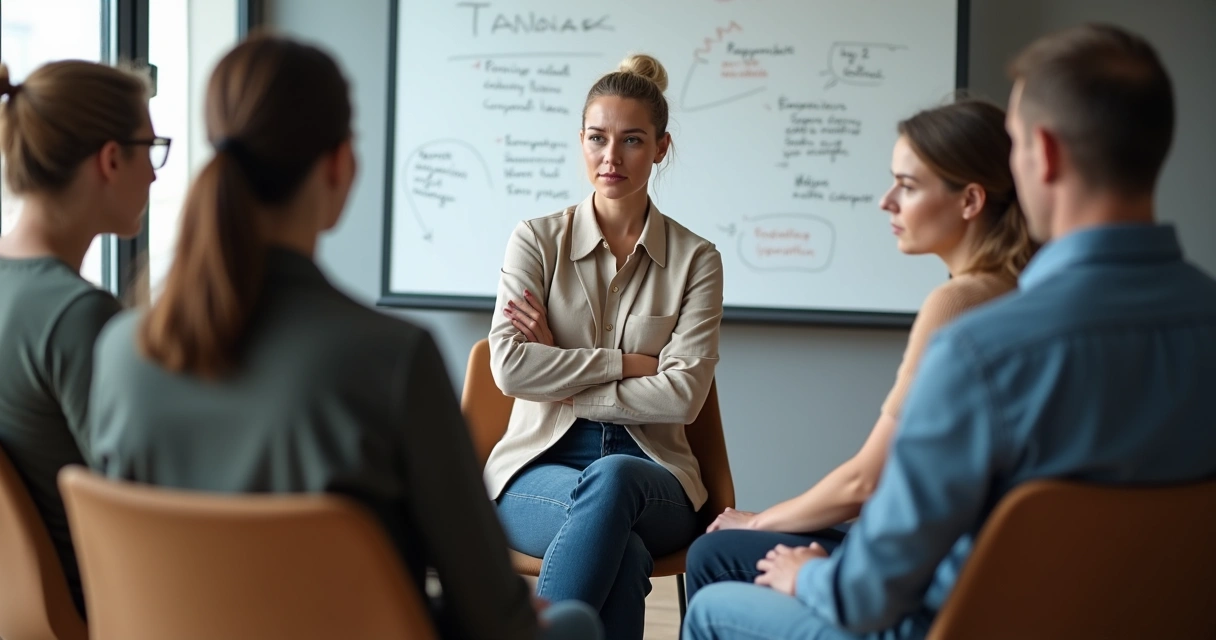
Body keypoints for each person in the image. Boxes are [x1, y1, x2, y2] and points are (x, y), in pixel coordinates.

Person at [683, 22, 1216, 640]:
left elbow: (868, 597)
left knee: (712, 608)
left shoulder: (983, 352)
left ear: (1042, 153)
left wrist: (810, 577)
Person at [87, 35, 599, 640]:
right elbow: (493, 614)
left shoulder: (121, 352)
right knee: (572, 623)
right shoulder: (391, 360)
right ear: (339, 165)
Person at [684, 98, 1037, 602]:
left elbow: (865, 482)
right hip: (971, 560)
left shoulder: (957, 302)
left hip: (934, 574)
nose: (886, 201)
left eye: (908, 186)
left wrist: (759, 521)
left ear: (970, 201)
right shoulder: (1019, 288)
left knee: (713, 553)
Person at [487, 53, 724, 639]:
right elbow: (511, 368)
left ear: (662, 147)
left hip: (654, 475)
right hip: (538, 469)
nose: (610, 158)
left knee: (616, 476)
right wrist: (627, 365)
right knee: (623, 556)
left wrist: (562, 376)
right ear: (581, 141)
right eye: (597, 138)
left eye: (632, 140)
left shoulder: (697, 260)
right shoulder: (536, 242)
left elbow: (682, 398)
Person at [0, 58, 161, 617]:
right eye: (152, 148)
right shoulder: (76, 315)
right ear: (111, 159)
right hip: (110, 608)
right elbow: (152, 502)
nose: (156, 175)